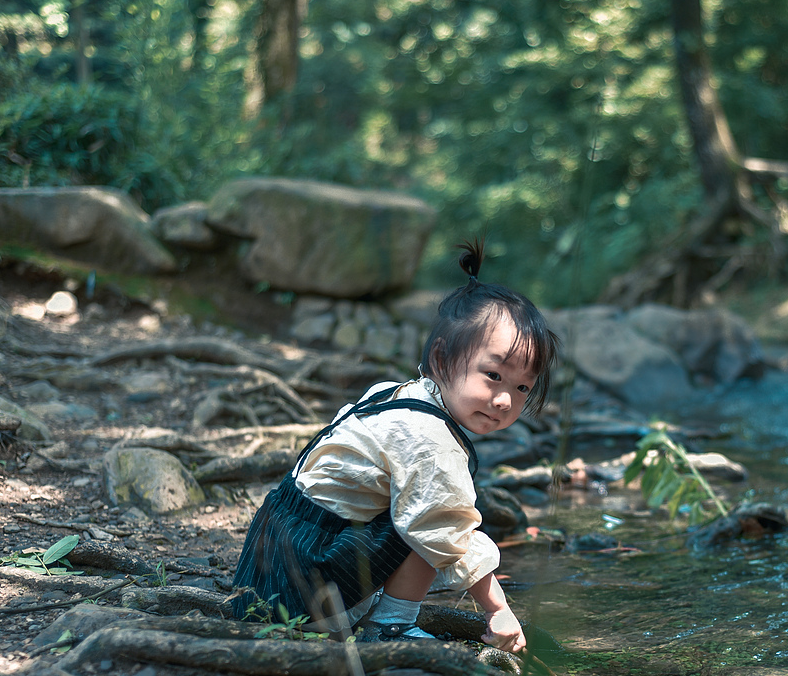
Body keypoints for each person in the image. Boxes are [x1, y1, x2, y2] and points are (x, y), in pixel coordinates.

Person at [230, 238, 559, 653]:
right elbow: (444, 528)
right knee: (433, 519)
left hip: (266, 569)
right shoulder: (429, 439)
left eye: (522, 387)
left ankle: (371, 612)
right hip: (305, 587)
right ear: (442, 361)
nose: (505, 400)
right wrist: (498, 610)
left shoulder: (394, 393)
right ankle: (391, 627)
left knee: (418, 505)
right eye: (493, 375)